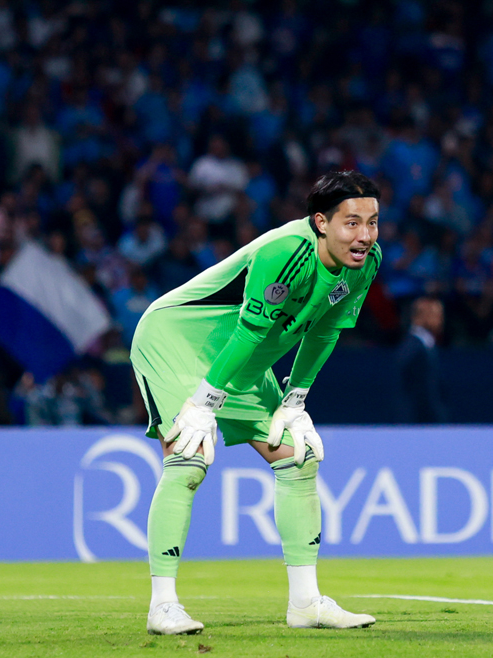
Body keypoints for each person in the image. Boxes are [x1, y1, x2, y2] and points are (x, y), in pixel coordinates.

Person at [131, 171, 382, 635]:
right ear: (321, 222)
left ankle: (306, 603)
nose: (364, 235)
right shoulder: (286, 252)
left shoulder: (365, 262)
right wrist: (205, 401)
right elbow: (248, 331)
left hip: (241, 359)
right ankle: (163, 606)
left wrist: (296, 399)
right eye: (352, 223)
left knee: (298, 458)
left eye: (372, 223)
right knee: (188, 458)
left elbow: (325, 329)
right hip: (178, 340)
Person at [394, 296, 447, 423]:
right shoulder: (413, 348)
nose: (441, 320)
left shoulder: (423, 345)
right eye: (436, 315)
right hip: (418, 422)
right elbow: (419, 391)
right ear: (422, 316)